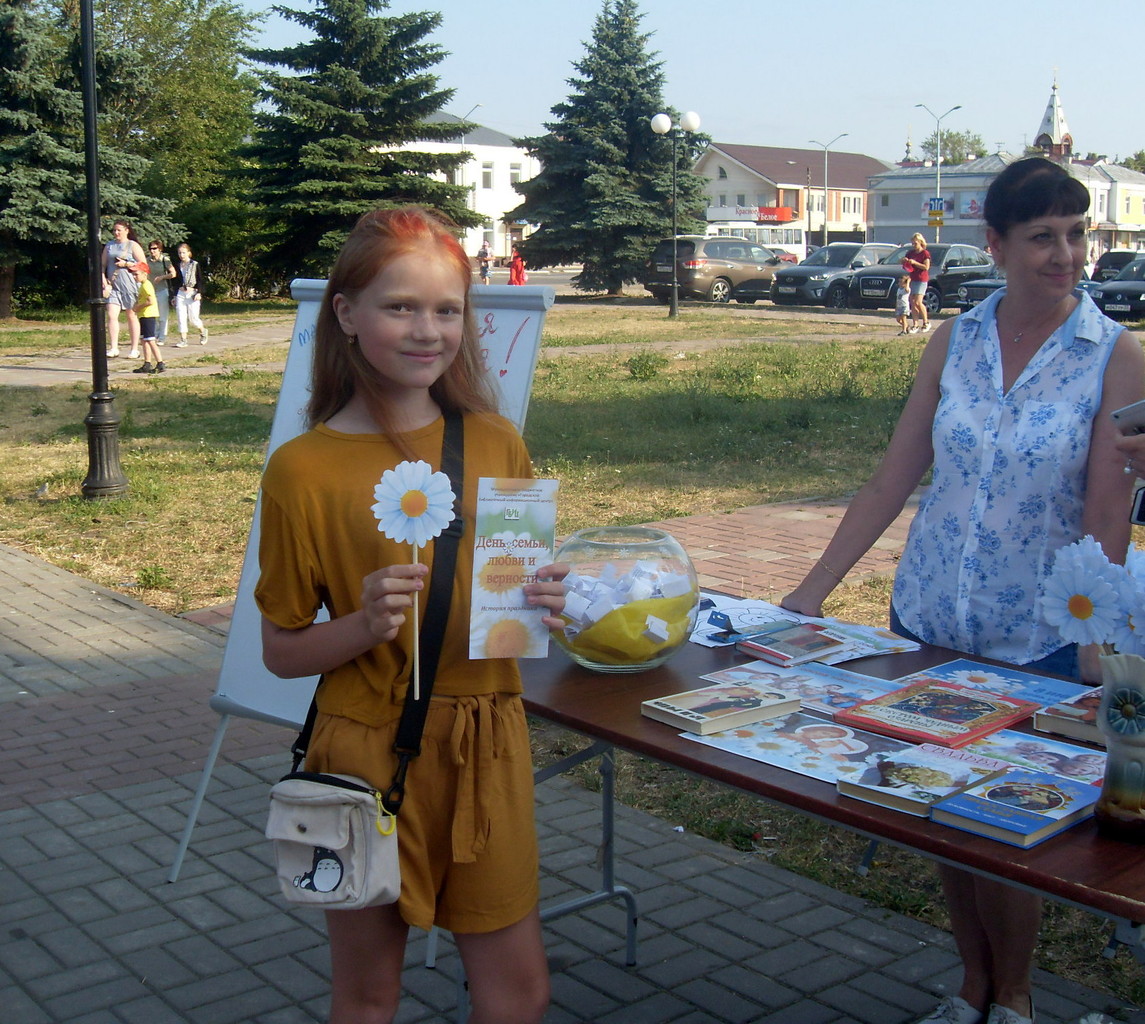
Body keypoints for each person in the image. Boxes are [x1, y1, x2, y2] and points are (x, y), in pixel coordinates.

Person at [780, 157, 1144, 1024]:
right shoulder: (954, 339)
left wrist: (1094, 644)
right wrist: (811, 591)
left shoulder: (1113, 354)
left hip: (1039, 634)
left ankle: (1011, 999)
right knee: (943, 813)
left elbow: (1106, 508)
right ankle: (970, 987)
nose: (1065, 254)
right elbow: (895, 472)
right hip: (932, 615)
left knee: (1003, 823)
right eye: (1042, 237)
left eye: (1076, 233)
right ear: (995, 244)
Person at [254, 206, 565, 1024]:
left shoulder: (496, 443)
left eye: (447, 308)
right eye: (400, 306)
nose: (427, 330)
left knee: (519, 992)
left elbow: (513, 607)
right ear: (347, 315)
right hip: (362, 755)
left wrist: (553, 603)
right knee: (366, 995)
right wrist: (362, 624)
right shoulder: (303, 469)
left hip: (485, 745)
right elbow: (282, 653)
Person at [101, 220, 146, 358]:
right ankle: (114, 347)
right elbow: (102, 265)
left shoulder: (133, 245)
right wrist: (104, 282)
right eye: (114, 230)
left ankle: (134, 348)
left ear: (127, 230)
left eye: (119, 230)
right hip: (113, 286)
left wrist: (126, 263)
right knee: (111, 315)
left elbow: (144, 266)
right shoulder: (109, 246)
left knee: (131, 315)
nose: (116, 233)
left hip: (129, 285)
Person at [129, 262, 164, 374]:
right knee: (144, 340)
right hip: (143, 315)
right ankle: (147, 363)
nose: (134, 276)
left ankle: (160, 363)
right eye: (133, 274)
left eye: (136, 274)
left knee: (150, 340)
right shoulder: (142, 285)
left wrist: (138, 307)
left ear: (144, 274)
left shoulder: (146, 285)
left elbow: (150, 301)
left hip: (149, 315)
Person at [172, 243, 209, 348]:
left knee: (193, 318)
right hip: (181, 293)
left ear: (188, 253)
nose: (181, 255)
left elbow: (200, 280)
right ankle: (183, 339)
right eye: (179, 253)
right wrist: (174, 295)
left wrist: (199, 292)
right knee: (181, 316)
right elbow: (175, 281)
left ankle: (203, 331)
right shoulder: (177, 265)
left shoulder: (195, 264)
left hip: (192, 294)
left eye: (183, 252)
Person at [146, 240, 176, 345]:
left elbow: (173, 273)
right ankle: (155, 334)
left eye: (154, 248)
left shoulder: (165, 260)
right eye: (150, 248)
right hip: (151, 291)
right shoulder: (147, 260)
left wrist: (162, 277)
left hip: (162, 290)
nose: (152, 251)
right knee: (152, 314)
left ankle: (162, 336)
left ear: (160, 249)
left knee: (163, 315)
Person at [903, 232, 932, 333]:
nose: (914, 245)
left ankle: (926, 322)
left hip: (921, 279)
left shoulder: (925, 253)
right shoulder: (911, 253)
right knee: (912, 301)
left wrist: (915, 263)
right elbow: (903, 262)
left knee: (918, 302)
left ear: (920, 242)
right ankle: (915, 324)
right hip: (913, 278)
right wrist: (905, 261)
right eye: (912, 243)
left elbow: (926, 267)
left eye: (915, 243)